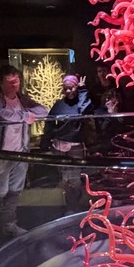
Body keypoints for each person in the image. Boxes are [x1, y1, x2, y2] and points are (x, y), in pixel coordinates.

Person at [0, 64, 48, 236]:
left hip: (20, 152)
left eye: (16, 80)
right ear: (0, 83)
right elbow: (1, 114)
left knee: (14, 190)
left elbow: (43, 110)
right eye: (9, 81)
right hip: (1, 153)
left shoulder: (21, 98)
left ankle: (9, 224)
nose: (14, 85)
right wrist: (26, 116)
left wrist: (27, 113)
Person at [40, 74, 95, 212]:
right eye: (66, 88)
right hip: (59, 145)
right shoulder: (59, 104)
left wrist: (83, 91)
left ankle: (73, 208)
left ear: (76, 87)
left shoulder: (82, 102)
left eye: (72, 88)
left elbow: (84, 111)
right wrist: (45, 141)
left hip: (76, 146)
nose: (69, 91)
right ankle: (70, 207)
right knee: (65, 180)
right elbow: (50, 123)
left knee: (74, 180)